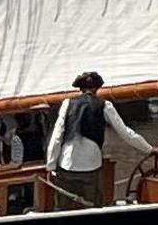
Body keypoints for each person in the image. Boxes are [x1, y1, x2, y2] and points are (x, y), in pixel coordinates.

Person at [50, 71, 150, 207]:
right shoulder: (105, 105)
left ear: (80, 88)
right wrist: (148, 149)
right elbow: (125, 133)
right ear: (97, 88)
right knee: (92, 207)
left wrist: (50, 165)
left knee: (63, 209)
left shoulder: (67, 104)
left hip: (67, 166)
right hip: (91, 168)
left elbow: (57, 136)